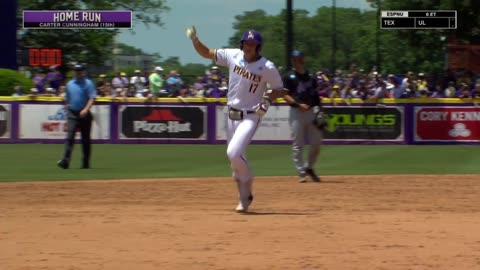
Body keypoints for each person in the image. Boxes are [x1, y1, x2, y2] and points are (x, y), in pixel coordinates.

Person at [187, 26, 286, 212]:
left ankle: (248, 179)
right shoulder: (233, 55)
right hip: (231, 114)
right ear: (242, 44)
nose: (248, 46)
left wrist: (265, 103)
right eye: (246, 42)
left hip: (251, 115)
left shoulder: (267, 66)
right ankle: (244, 199)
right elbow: (207, 53)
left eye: (252, 43)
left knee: (234, 153)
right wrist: (195, 40)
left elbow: (279, 89)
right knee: (235, 164)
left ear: (258, 46)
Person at [282, 50, 322, 183]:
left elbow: (316, 95)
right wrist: (298, 104)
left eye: (300, 58)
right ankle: (301, 172)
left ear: (303, 59)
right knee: (298, 144)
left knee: (316, 142)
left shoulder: (311, 76)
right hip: (297, 112)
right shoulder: (288, 76)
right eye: (295, 58)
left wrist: (319, 110)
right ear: (292, 61)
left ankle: (309, 167)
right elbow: (285, 95)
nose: (298, 60)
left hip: (311, 112)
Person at [57, 64, 97, 169]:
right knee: (69, 137)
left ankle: (85, 163)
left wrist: (85, 109)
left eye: (80, 70)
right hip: (72, 113)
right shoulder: (70, 84)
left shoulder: (88, 83)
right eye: (76, 71)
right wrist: (66, 105)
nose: (77, 72)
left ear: (84, 72)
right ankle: (65, 161)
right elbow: (67, 98)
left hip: (84, 114)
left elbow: (92, 98)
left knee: (85, 140)